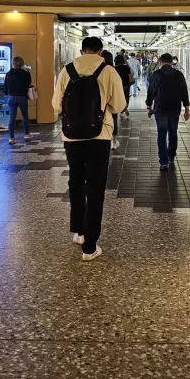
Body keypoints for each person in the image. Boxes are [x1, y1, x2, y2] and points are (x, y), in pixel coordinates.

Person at [52, 36, 127, 261]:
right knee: (95, 186)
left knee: (76, 182)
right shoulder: (109, 71)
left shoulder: (66, 71)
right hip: (100, 136)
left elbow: (56, 105)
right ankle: (90, 247)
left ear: (82, 50)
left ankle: (79, 232)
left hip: (72, 137)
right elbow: (120, 105)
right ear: (101, 51)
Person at [145, 53, 190, 171]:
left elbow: (151, 91)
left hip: (160, 109)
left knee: (161, 133)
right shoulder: (179, 74)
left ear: (160, 62)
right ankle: (171, 156)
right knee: (173, 132)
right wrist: (187, 109)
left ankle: (163, 162)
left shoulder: (156, 74)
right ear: (171, 62)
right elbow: (184, 92)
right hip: (175, 108)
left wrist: (149, 107)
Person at [3, 56, 32, 145]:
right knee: (24, 116)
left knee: (12, 118)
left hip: (11, 98)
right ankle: (27, 134)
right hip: (22, 97)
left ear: (13, 63)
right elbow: (29, 83)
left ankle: (11, 138)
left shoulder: (8, 74)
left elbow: (5, 86)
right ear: (22, 63)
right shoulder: (25, 73)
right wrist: (28, 72)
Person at [113, 54, 134, 118]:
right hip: (127, 84)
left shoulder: (114, 68)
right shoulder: (126, 67)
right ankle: (125, 107)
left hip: (118, 85)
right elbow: (132, 73)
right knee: (126, 96)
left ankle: (122, 108)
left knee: (119, 97)